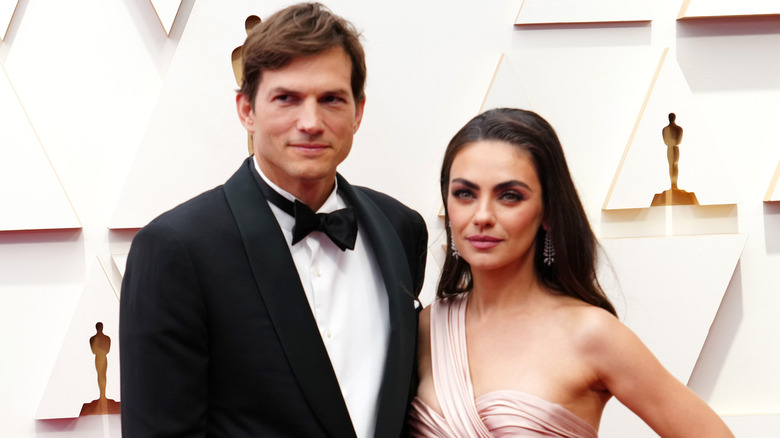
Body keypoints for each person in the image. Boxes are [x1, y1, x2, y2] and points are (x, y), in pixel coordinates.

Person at [120, 3, 428, 437]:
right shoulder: (176, 248)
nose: (311, 122)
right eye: (286, 98)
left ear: (358, 111)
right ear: (246, 109)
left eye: (331, 100)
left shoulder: (401, 227)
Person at [407, 108, 733, 437]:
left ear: (548, 211)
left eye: (510, 196)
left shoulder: (592, 334)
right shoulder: (425, 328)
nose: (482, 215)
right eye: (465, 193)